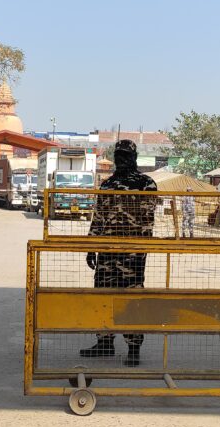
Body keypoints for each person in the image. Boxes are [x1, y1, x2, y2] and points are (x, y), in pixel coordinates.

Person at [80, 140, 158, 367]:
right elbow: (99, 217)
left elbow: (147, 219)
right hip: (107, 251)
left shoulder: (147, 184)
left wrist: (139, 247)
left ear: (134, 157)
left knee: (132, 298)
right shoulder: (107, 185)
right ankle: (105, 342)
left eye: (126, 155)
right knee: (102, 295)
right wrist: (91, 246)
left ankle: (134, 347)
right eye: (119, 155)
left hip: (132, 253)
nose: (122, 159)